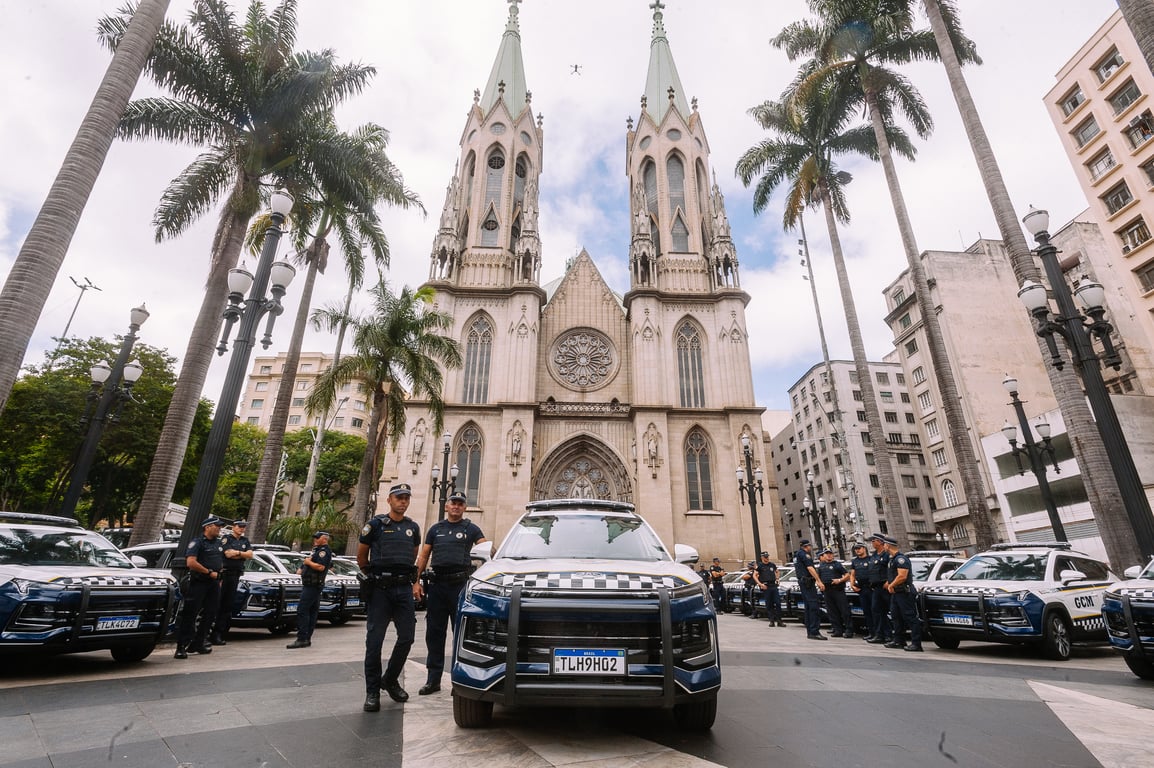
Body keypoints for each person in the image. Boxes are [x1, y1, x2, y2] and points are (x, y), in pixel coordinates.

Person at [413, 490, 486, 695]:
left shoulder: (471, 529)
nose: (456, 506)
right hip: (437, 587)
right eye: (453, 503)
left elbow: (488, 549)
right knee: (434, 634)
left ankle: (459, 680)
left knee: (460, 635)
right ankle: (433, 679)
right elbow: (424, 555)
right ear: (447, 506)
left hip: (459, 587)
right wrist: (415, 581)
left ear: (464, 507)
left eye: (460, 504)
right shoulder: (436, 529)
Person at [358, 483, 421, 711]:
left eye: (406, 498)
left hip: (402, 589)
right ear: (389, 500)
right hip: (380, 590)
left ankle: (390, 679)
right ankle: (372, 691)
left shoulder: (412, 527)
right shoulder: (375, 525)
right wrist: (374, 577)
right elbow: (362, 557)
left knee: (407, 637)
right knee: (374, 642)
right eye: (398, 497)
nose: (402, 501)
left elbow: (413, 555)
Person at [175, 516, 225, 659]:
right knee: (190, 614)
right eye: (217, 526)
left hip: (214, 584)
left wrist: (219, 576)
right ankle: (181, 646)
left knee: (210, 613)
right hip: (199, 583)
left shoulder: (218, 543)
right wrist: (209, 572)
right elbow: (191, 562)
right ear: (207, 527)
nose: (219, 528)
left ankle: (199, 642)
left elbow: (219, 561)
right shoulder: (197, 543)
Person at [211, 518, 253, 646]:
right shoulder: (226, 539)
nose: (242, 528)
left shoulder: (245, 540)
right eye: (240, 526)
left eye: (244, 526)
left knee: (227, 605)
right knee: (218, 603)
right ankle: (211, 633)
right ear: (233, 527)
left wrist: (238, 553)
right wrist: (242, 554)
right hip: (225, 574)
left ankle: (220, 632)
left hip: (235, 575)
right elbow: (228, 554)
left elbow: (250, 555)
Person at [287, 531, 333, 649]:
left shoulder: (324, 551)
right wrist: (303, 567)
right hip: (311, 584)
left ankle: (302, 638)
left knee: (303, 610)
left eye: (317, 538)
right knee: (312, 611)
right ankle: (306, 638)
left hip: (313, 585)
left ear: (324, 539)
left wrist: (308, 562)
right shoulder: (316, 550)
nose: (315, 540)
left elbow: (321, 567)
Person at [883, 536, 923, 651]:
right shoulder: (892, 559)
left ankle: (916, 643)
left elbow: (902, 576)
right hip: (896, 593)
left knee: (910, 617)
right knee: (896, 617)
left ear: (888, 545)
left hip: (904, 592)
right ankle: (899, 640)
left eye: (884, 544)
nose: (884, 546)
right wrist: (889, 583)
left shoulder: (901, 559)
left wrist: (891, 585)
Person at [794, 539, 827, 640]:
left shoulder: (797, 555)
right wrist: (818, 580)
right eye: (809, 546)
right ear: (806, 546)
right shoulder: (805, 555)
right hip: (807, 582)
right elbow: (810, 568)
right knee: (814, 606)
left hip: (803, 582)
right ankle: (814, 631)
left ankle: (810, 631)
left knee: (808, 607)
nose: (810, 548)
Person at [816, 548, 852, 638]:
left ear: (833, 555)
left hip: (838, 590)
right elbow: (818, 578)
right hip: (827, 591)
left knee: (844, 611)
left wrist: (839, 580)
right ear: (823, 555)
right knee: (832, 611)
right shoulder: (821, 566)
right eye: (826, 554)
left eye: (830, 554)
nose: (828, 555)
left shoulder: (837, 564)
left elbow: (847, 575)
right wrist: (819, 584)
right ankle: (837, 630)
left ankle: (849, 630)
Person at [866, 533, 892, 645]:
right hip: (876, 588)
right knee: (876, 610)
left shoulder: (887, 555)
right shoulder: (874, 555)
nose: (872, 543)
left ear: (880, 542)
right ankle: (880, 634)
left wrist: (889, 581)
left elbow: (891, 570)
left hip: (886, 587)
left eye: (873, 541)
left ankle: (890, 635)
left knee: (891, 611)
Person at [848, 542, 875, 641]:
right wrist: (852, 585)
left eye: (859, 548)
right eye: (856, 549)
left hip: (871, 588)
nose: (857, 550)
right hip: (862, 589)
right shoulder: (855, 561)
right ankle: (871, 632)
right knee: (867, 611)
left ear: (864, 548)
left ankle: (878, 632)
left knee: (875, 611)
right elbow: (852, 574)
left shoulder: (871, 559)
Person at [754, 551, 784, 626]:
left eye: (767, 557)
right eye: (765, 557)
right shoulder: (760, 566)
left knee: (778, 603)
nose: (767, 558)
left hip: (773, 586)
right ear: (762, 558)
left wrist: (777, 579)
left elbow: (777, 571)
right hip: (766, 586)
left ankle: (779, 620)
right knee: (769, 604)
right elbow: (754, 575)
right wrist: (760, 584)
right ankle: (772, 620)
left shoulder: (772, 565)